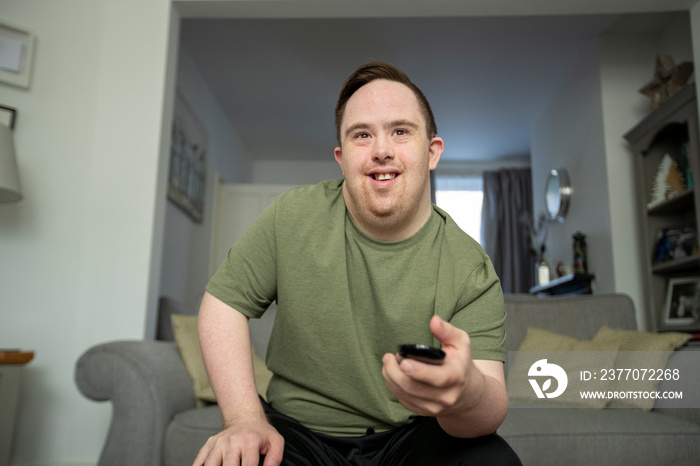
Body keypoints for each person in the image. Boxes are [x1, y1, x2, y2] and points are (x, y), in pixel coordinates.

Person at [194, 62, 521, 466]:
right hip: (295, 431)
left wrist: (467, 391)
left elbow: (490, 407)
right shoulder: (291, 216)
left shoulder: (471, 267)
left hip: (413, 434)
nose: (382, 150)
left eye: (400, 131)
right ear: (342, 156)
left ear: (432, 151)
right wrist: (244, 418)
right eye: (362, 135)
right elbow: (223, 304)